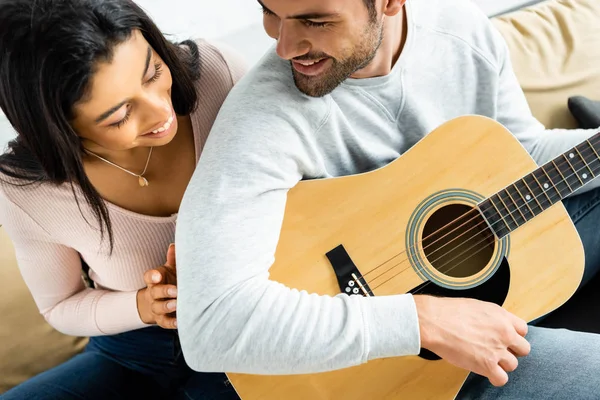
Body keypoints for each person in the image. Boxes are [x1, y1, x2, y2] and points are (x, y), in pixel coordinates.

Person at [174, 0, 600, 398]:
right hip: (396, 369)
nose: (284, 46)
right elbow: (211, 326)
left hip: (489, 283)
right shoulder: (261, 121)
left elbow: (519, 155)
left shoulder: (461, 31)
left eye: (315, 21)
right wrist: (422, 322)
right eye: (269, 12)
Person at [0, 0, 245, 398]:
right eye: (119, 116)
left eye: (153, 73)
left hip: (244, 325)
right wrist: (145, 306)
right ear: (58, 126)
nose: (161, 111)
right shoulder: (24, 190)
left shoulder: (220, 76)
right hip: (131, 352)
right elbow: (61, 305)